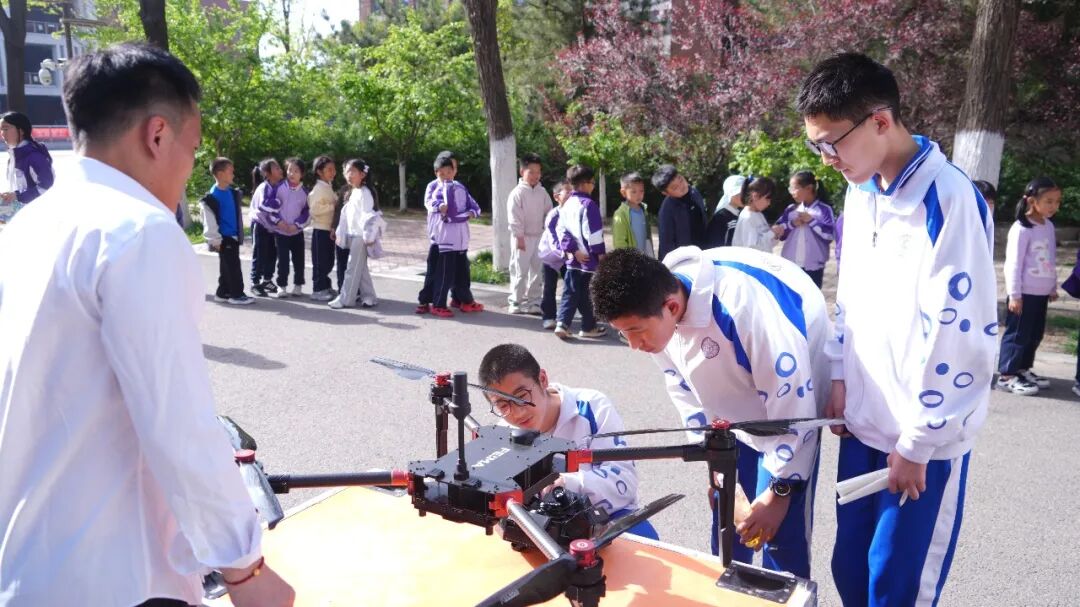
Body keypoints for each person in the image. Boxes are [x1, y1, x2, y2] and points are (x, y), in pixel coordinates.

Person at [0, 42, 293, 607]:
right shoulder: (138, 231)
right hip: (117, 577)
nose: (189, 166)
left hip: (25, 567)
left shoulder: (27, 227)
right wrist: (245, 570)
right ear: (158, 135)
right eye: (192, 147)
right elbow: (178, 423)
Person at [798, 52, 996, 606]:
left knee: (895, 584)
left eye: (831, 144)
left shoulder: (948, 198)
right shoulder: (860, 191)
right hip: (865, 425)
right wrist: (840, 373)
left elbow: (963, 334)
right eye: (817, 148)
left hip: (922, 440)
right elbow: (849, 295)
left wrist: (919, 441)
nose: (827, 160)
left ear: (881, 121)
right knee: (850, 568)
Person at [591, 246, 830, 577]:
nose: (633, 345)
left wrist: (780, 490)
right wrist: (713, 461)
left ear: (672, 307)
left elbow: (791, 401)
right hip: (737, 401)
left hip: (790, 390)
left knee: (776, 533)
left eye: (635, 332)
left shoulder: (746, 310)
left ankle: (785, 584)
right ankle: (728, 584)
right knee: (727, 515)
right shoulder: (656, 314)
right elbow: (684, 390)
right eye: (623, 333)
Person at [478, 344, 657, 539]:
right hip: (544, 527)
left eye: (522, 397)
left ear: (542, 379)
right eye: (503, 405)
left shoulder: (592, 406)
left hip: (609, 516)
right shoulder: (503, 432)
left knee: (647, 542)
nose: (518, 413)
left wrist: (566, 483)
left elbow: (625, 482)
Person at [996, 177, 1062, 395]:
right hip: (1023, 294)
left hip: (1041, 293)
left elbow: (1050, 258)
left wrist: (1052, 286)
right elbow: (1013, 264)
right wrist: (1014, 295)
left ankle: (1022, 369)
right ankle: (1007, 376)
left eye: (1057, 202)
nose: (1054, 206)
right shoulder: (1022, 229)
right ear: (1032, 201)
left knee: (1034, 334)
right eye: (1049, 201)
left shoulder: (1048, 226)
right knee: (1018, 335)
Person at [555, 164, 607, 340]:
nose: (593, 186)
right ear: (585, 184)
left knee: (571, 292)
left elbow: (561, 231)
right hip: (589, 260)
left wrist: (573, 250)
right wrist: (600, 254)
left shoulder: (567, 204)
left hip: (574, 259)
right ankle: (588, 327)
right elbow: (594, 234)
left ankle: (563, 323)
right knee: (589, 294)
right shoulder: (589, 204)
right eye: (592, 183)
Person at [430, 153, 484, 318]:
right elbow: (433, 203)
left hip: (461, 239)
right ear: (436, 173)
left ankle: (465, 301)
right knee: (445, 274)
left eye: (449, 172)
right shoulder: (438, 189)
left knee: (462, 273)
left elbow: (474, 206)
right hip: (447, 239)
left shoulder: (460, 187)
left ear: (454, 171)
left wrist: (472, 212)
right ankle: (438, 304)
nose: (446, 176)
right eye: (442, 173)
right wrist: (440, 206)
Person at [330, 159, 383, 310]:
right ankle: (369, 297)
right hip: (353, 235)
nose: (349, 175)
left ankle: (346, 299)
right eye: (347, 171)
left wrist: (369, 237)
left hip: (361, 237)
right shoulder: (354, 191)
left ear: (362, 174)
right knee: (361, 269)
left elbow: (369, 217)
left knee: (352, 268)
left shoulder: (365, 193)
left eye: (352, 171)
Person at [200, 156, 253, 306]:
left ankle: (222, 293)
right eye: (231, 171)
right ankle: (237, 295)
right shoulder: (212, 197)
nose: (233, 174)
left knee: (226, 267)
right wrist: (214, 239)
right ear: (220, 174)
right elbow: (209, 221)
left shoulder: (232, 192)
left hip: (233, 236)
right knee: (233, 267)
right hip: (224, 238)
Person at [507, 153, 553, 315]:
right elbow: (514, 217)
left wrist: (548, 233)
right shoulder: (517, 193)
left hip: (539, 237)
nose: (535, 175)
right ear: (522, 172)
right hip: (522, 238)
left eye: (538, 172)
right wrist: (519, 237)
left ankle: (534, 302)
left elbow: (549, 213)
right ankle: (515, 301)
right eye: (531, 172)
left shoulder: (542, 192)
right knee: (520, 271)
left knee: (537, 271)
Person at [776, 171, 836, 287]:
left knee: (811, 296)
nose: (791, 192)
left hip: (814, 266)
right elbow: (779, 233)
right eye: (790, 189)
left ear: (809, 188)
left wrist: (811, 221)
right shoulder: (791, 209)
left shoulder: (824, 210)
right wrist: (792, 224)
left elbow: (829, 235)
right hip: (790, 264)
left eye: (794, 188)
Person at [264, 157, 309, 298]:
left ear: (302, 174)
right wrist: (278, 222)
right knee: (282, 261)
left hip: (297, 233)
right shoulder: (278, 188)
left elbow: (307, 213)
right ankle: (281, 286)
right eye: (289, 170)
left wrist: (296, 225)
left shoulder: (305, 192)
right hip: (281, 232)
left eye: (296, 171)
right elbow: (270, 208)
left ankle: (298, 285)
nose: (291, 173)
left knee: (299, 261)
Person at [653, 164, 708, 260]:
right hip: (683, 260)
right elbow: (666, 245)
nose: (681, 186)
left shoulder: (694, 193)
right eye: (675, 187)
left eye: (681, 180)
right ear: (665, 193)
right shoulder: (666, 211)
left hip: (703, 252)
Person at [0, 111, 54, 209]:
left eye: (6, 129)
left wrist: (18, 196)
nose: (2, 134)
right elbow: (19, 188)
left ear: (21, 131)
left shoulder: (35, 157)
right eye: (1, 130)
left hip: (36, 213)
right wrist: (10, 195)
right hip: (20, 212)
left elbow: (47, 187)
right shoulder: (13, 157)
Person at [539, 180, 572, 330]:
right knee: (549, 287)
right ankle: (548, 317)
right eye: (567, 192)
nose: (571, 195)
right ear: (556, 196)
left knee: (571, 287)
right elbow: (553, 239)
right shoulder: (553, 215)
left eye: (573, 192)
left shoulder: (575, 213)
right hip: (551, 257)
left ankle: (565, 316)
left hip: (568, 257)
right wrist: (563, 252)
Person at [248, 158, 283, 297]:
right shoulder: (264, 188)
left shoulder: (277, 186)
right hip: (260, 226)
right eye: (276, 168)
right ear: (267, 173)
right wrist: (278, 203)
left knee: (272, 254)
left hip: (271, 228)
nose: (280, 170)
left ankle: (267, 280)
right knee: (259, 255)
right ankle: (254, 282)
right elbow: (263, 206)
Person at [308, 155, 338, 302]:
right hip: (320, 230)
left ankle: (325, 286)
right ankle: (318, 289)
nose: (333, 172)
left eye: (334, 169)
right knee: (320, 262)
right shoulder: (318, 189)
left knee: (328, 260)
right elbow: (314, 210)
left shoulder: (328, 186)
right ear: (319, 172)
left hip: (328, 230)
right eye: (329, 169)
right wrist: (333, 206)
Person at [731, 176, 784, 252]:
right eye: (767, 199)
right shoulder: (747, 218)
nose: (769, 203)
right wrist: (772, 233)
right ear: (755, 196)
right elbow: (752, 248)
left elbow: (767, 244)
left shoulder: (758, 214)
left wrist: (776, 235)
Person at [612, 172, 654, 257]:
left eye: (641, 191)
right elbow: (619, 242)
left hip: (645, 259)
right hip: (631, 260)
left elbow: (647, 237)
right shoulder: (620, 214)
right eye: (634, 192)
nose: (639, 195)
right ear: (623, 192)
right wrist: (626, 260)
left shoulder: (644, 210)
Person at [704, 174, 745, 248]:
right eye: (740, 193)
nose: (744, 196)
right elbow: (714, 245)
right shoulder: (720, 217)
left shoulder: (739, 214)